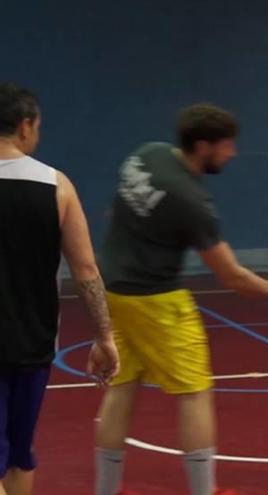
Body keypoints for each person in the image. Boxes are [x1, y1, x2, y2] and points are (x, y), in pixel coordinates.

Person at [94, 104, 268, 495]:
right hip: (157, 301)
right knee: (195, 391)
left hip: (114, 291)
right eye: (226, 146)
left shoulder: (144, 154)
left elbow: (113, 209)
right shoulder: (192, 200)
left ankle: (105, 491)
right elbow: (231, 275)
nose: (232, 153)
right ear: (204, 146)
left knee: (122, 386)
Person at [0, 82, 119, 495]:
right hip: (33, 346)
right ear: (26, 125)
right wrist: (104, 337)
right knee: (20, 454)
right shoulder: (58, 186)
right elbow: (86, 269)